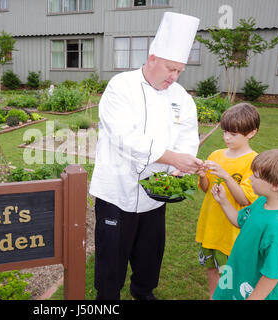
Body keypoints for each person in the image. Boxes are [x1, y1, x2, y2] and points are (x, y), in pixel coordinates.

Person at [89, 12, 203, 300]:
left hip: (155, 193)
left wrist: (181, 165)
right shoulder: (120, 86)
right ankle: (107, 299)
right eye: (170, 68)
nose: (174, 77)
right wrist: (171, 158)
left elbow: (188, 138)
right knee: (111, 258)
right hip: (116, 190)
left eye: (180, 71)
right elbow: (124, 138)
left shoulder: (181, 98)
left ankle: (143, 292)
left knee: (150, 254)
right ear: (152, 58)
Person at [211, 149, 278, 300]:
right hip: (235, 277)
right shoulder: (261, 203)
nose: (251, 178)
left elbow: (272, 275)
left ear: (275, 185)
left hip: (252, 292)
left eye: (256, 176)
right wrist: (224, 201)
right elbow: (239, 221)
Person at [195, 103, 261, 299]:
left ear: (251, 133)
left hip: (230, 233)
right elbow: (206, 188)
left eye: (233, 134)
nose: (226, 138)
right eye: (225, 132)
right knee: (211, 270)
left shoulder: (254, 162)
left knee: (228, 275)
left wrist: (225, 175)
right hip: (210, 228)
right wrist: (201, 175)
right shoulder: (216, 155)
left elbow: (245, 200)